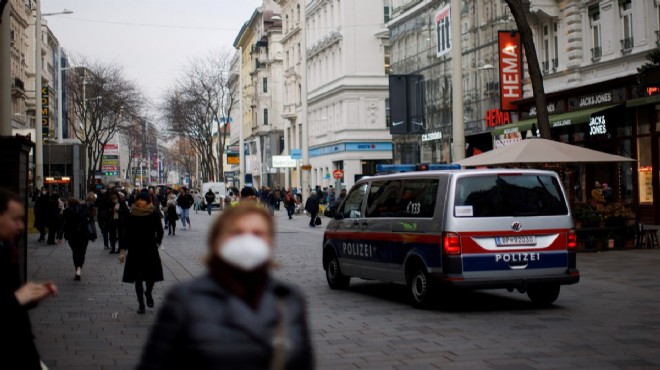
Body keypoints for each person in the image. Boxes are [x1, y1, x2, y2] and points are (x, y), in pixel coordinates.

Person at [136, 203, 314, 370]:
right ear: (217, 240)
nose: (247, 241)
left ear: (270, 242)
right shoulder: (184, 300)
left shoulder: (288, 298)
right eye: (237, 233)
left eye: (257, 233)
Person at [1, 188, 58, 370]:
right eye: (15, 219)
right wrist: (18, 298)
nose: (21, 226)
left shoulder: (7, 249)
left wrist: (30, 297)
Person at [118, 191, 164, 314]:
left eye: (142, 200)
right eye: (138, 199)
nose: (139, 202)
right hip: (135, 250)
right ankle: (141, 304)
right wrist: (122, 249)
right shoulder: (131, 214)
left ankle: (148, 292)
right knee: (137, 278)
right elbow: (126, 233)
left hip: (149, 249)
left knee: (151, 277)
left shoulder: (153, 214)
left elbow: (159, 230)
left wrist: (158, 241)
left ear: (147, 201)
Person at [60, 198, 94, 280]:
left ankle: (77, 267)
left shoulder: (66, 211)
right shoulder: (83, 208)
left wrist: (60, 236)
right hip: (84, 234)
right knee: (82, 251)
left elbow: (63, 224)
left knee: (75, 251)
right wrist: (84, 203)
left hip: (72, 234)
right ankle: (79, 268)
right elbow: (92, 204)